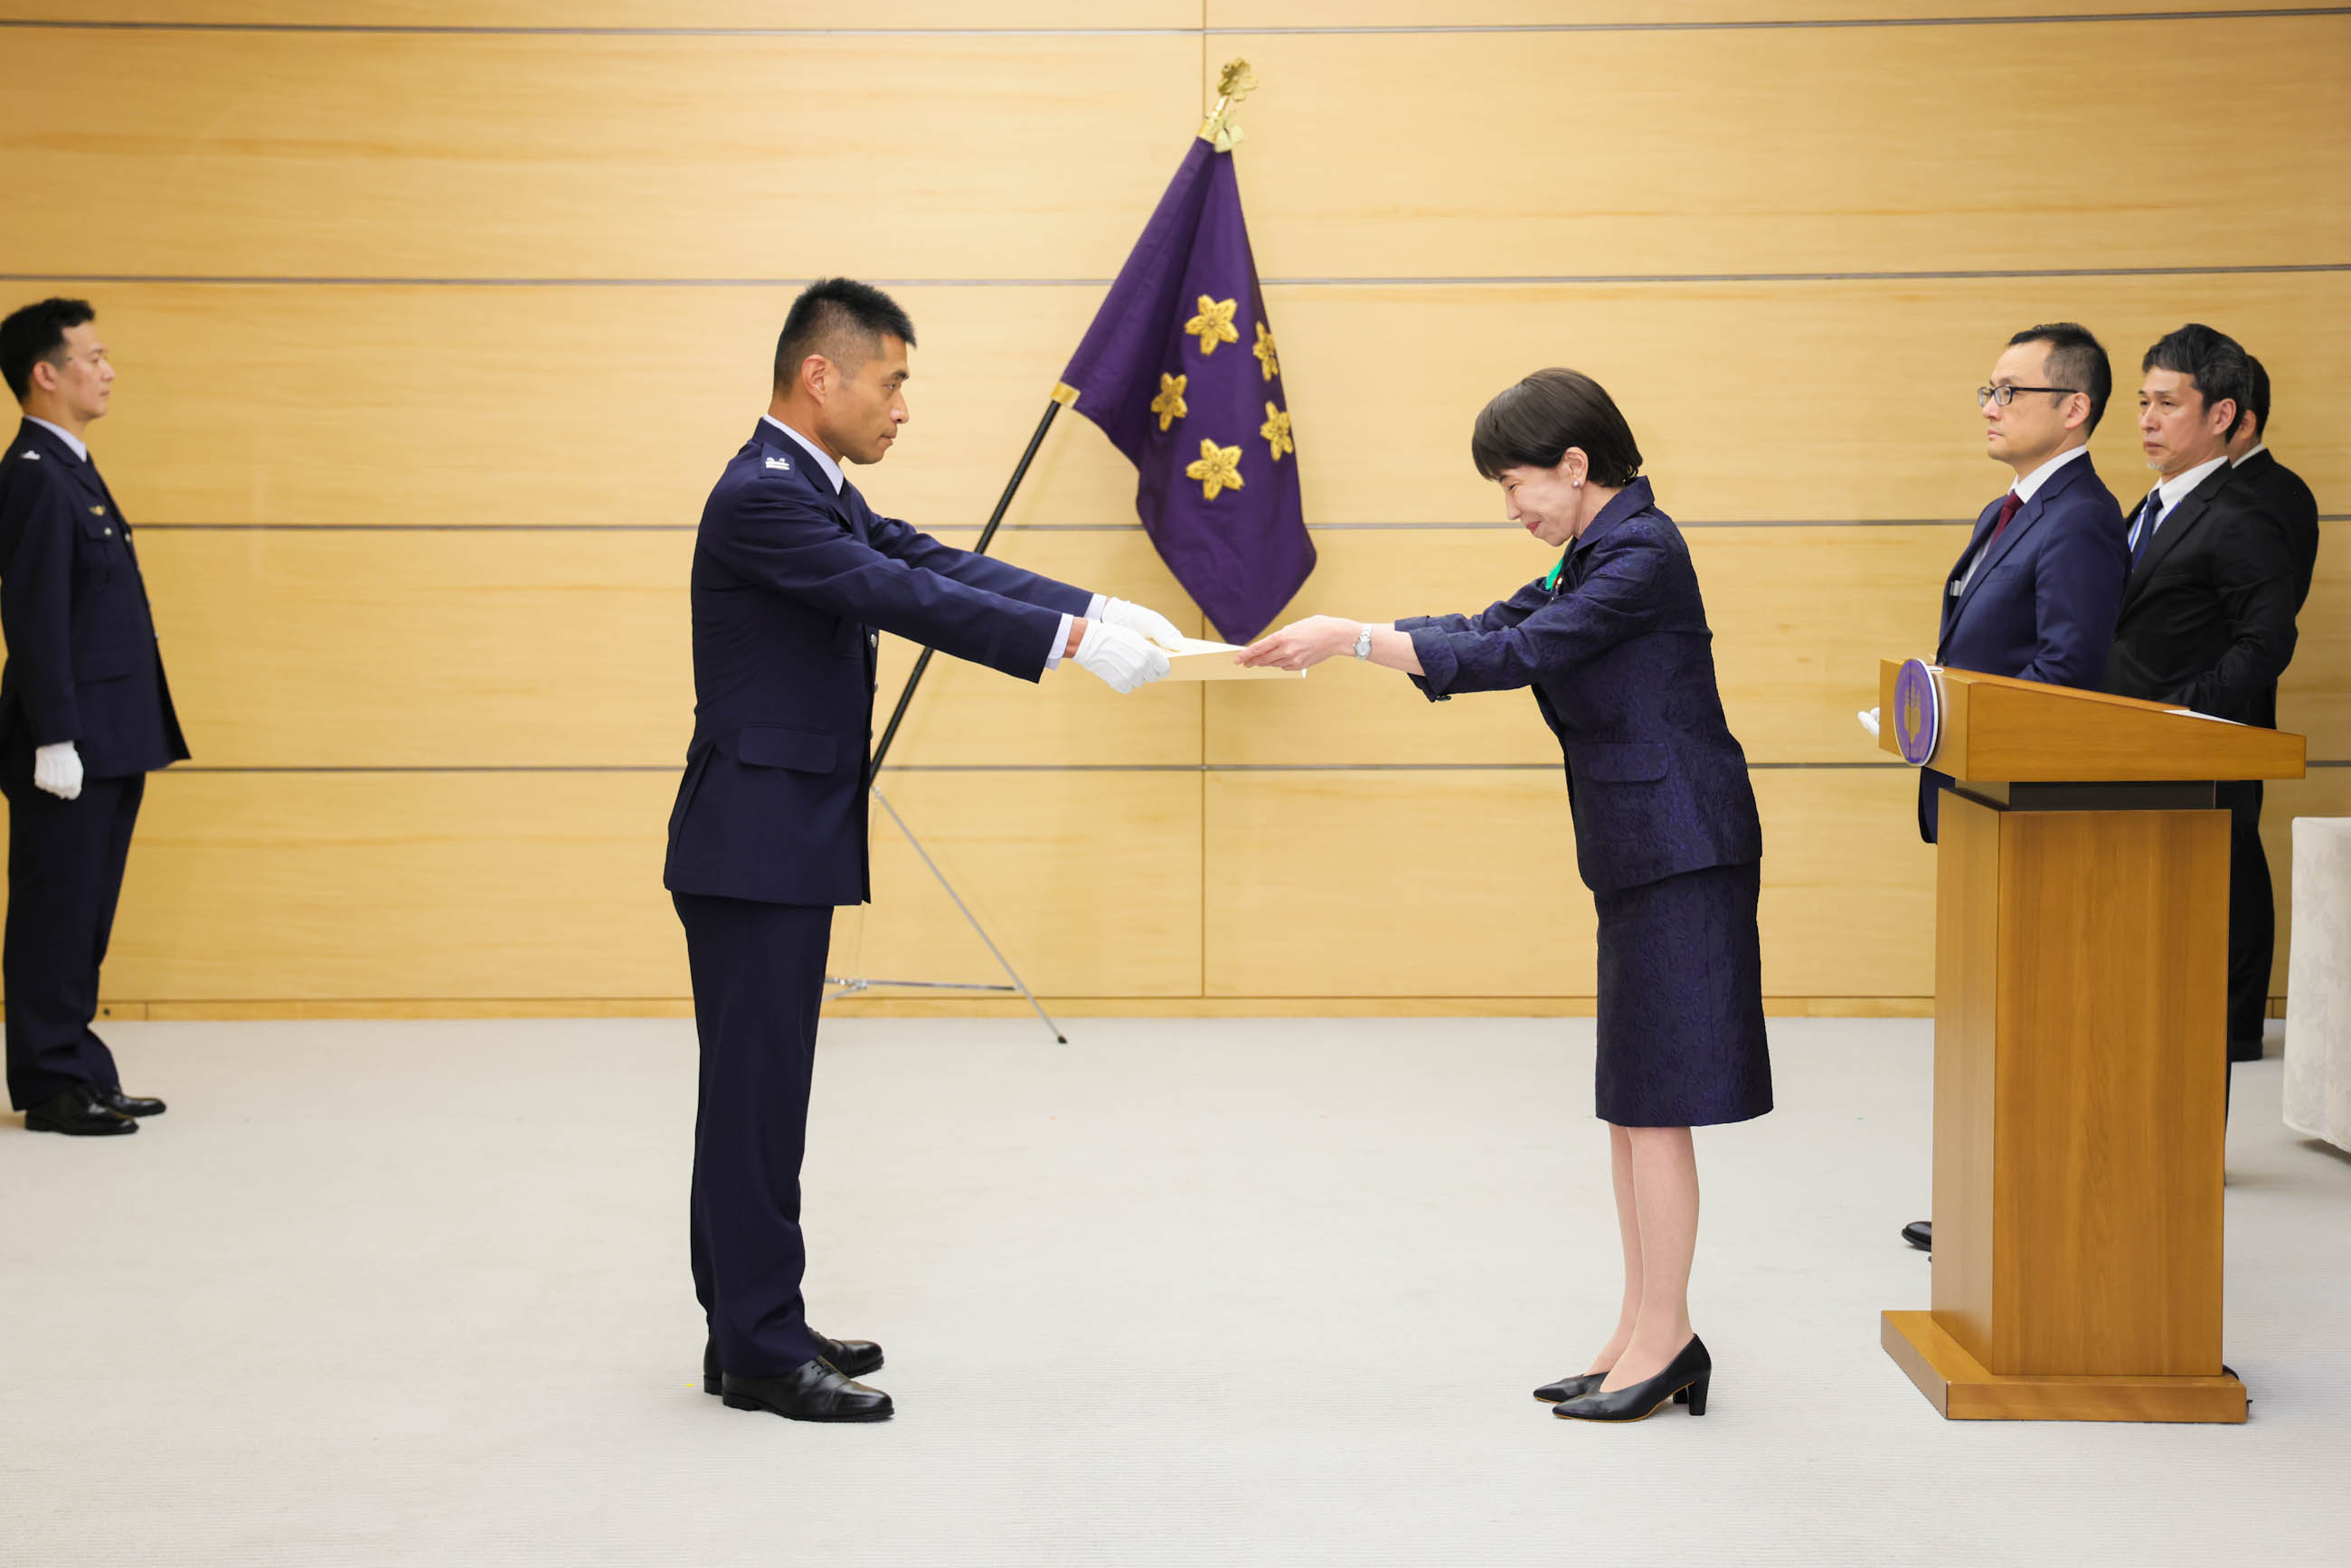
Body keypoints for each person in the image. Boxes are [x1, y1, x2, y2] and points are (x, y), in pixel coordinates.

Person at [664, 279, 1180, 1423]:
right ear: (821, 376)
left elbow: (938, 561)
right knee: (755, 1100)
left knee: (758, 1097)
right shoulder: (760, 498)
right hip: (752, 844)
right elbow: (894, 593)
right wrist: (1072, 645)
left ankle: (751, 1323)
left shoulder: (818, 489)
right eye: (891, 382)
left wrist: (1094, 605)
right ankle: (755, 1344)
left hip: (775, 837)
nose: (903, 407)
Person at [1241, 367, 1768, 1422]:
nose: (1512, 507)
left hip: (1679, 849)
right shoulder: (1596, 549)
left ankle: (1663, 1340)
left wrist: (1350, 638)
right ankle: (1643, 1328)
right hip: (1639, 848)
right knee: (1631, 1105)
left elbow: (1520, 654)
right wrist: (1351, 634)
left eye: (1516, 483)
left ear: (1577, 467)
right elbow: (1489, 621)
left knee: (1656, 1108)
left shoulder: (1642, 554)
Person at [1899, 323, 2129, 1254]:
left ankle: (2013, 1206)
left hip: (2027, 808)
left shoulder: (2077, 516)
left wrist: (1960, 725)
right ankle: (1979, 1197)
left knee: (2021, 1020)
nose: (1990, 409)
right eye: (1985, 392)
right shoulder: (2011, 508)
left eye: (2010, 392)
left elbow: (2068, 674)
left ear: (2071, 408)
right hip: (1981, 797)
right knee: (1983, 1017)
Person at [0, 298, 185, 1137]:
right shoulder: (37, 475)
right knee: (55, 912)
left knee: (86, 913)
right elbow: (35, 616)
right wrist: (53, 735)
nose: (108, 371)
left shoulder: (70, 464)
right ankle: (50, 1084)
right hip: (70, 741)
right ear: (47, 373)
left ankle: (81, 1066)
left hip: (107, 734)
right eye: (94, 356)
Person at [2104, 324, 2298, 1074]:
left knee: (2184, 969)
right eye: (2144, 402)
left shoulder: (2243, 516)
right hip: (2125, 764)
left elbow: (2264, 644)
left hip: (2186, 765)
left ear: (2222, 416)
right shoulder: (2147, 507)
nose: (2147, 419)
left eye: (2168, 404)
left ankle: (2182, 1157)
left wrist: (2177, 717)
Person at [2220, 352, 2319, 1065]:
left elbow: (2263, 627)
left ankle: (2238, 1023)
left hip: (2228, 707)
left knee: (2234, 852)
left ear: (2241, 418)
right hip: (2181, 712)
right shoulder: (2197, 493)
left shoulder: (2274, 494)